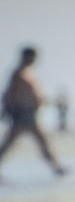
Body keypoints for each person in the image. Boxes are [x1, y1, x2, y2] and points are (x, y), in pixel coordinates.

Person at [0, 46, 68, 177]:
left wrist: (49, 101)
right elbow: (9, 94)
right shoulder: (18, 74)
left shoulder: (29, 73)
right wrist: (5, 110)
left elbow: (36, 94)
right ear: (26, 57)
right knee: (36, 140)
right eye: (32, 57)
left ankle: (57, 167)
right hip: (22, 114)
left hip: (30, 113)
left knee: (38, 140)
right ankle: (57, 167)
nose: (34, 60)